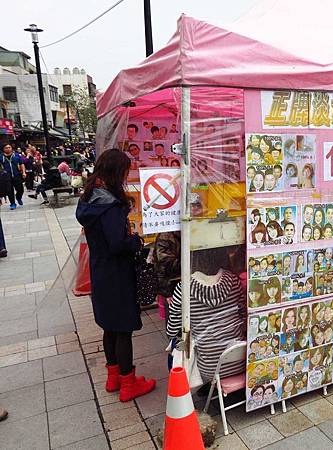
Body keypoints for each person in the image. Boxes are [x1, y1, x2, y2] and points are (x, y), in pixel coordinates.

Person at [76, 148, 156, 402]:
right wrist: (135, 241)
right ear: (114, 172)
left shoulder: (90, 199)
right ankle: (128, 383)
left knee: (109, 327)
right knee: (123, 330)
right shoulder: (109, 206)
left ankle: (114, 378)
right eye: (124, 171)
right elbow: (116, 243)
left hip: (101, 272)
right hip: (117, 275)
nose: (126, 176)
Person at [167, 247, 246, 381]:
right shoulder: (234, 281)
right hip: (241, 360)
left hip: (209, 368)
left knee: (180, 346)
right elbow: (243, 317)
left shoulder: (184, 288)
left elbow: (172, 331)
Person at [1, 144, 25, 210]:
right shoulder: (1, 156)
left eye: (9, 147)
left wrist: (23, 172)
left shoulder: (16, 155)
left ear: (11, 148)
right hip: (6, 176)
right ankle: (12, 203)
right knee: (9, 191)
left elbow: (21, 164)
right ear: (3, 149)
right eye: (6, 148)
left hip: (16, 175)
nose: (8, 149)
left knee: (20, 189)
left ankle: (18, 197)